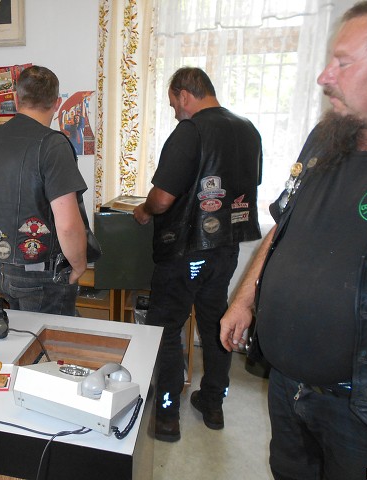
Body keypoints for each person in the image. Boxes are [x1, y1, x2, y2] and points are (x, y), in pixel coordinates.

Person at [220, 2, 367, 478]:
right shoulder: (326, 139)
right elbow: (283, 225)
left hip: (359, 411)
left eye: (342, 62)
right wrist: (244, 299)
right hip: (288, 385)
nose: (324, 76)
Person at [133, 67, 263, 442]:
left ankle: (167, 414)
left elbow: (162, 199)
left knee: (166, 329)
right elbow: (248, 186)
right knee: (215, 324)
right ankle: (213, 404)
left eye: (174, 103)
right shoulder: (248, 130)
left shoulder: (190, 131)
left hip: (185, 252)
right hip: (224, 249)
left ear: (185, 95)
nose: (175, 112)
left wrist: (144, 209)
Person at [0, 65, 88, 315]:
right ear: (57, 103)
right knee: (51, 338)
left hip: (4, 267)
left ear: (17, 99)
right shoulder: (53, 144)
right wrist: (79, 265)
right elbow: (67, 224)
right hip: (43, 272)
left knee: (23, 335)